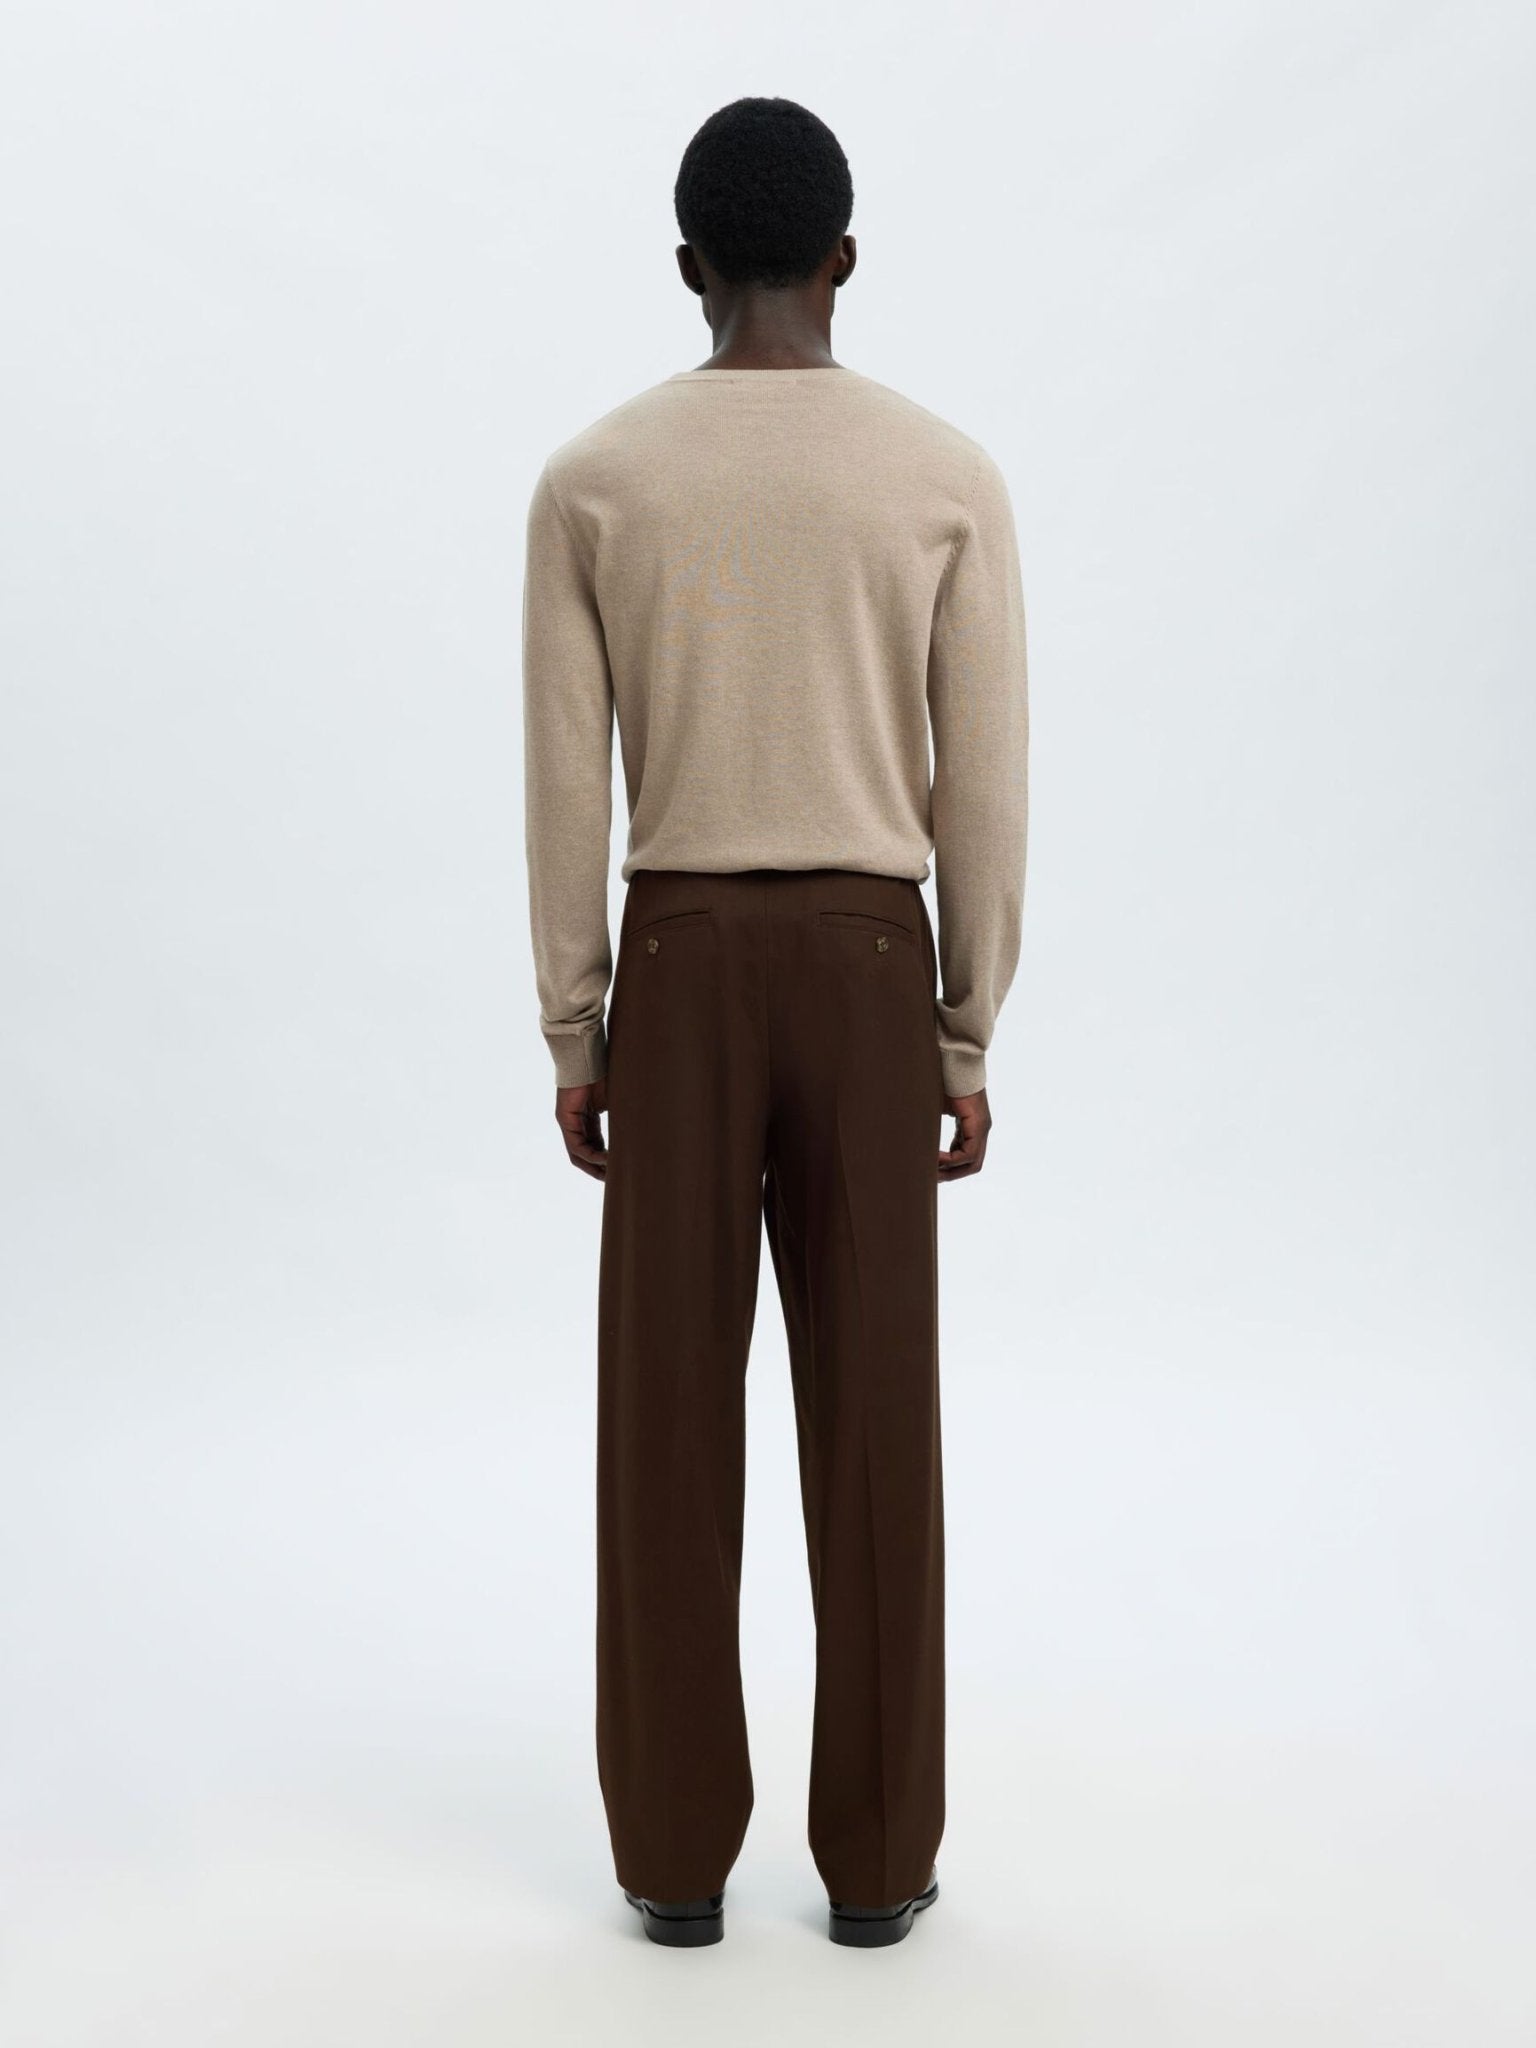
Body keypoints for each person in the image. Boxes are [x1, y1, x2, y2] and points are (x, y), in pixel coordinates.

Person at [520, 94, 1029, 1949]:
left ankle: (673, 1863)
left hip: (675, 966)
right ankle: (880, 1868)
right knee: (876, 1415)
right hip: (875, 968)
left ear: (687, 267)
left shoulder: (595, 481)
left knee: (667, 1415)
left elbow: (566, 778)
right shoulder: (943, 476)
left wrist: (578, 1028)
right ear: (843, 261)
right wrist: (965, 1031)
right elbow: (985, 782)